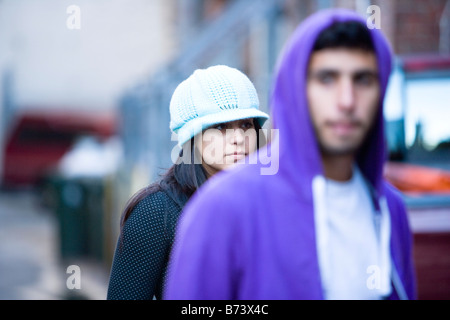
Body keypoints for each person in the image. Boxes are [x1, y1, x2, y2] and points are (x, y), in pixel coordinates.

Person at [164, 9, 417, 300]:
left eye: (363, 80)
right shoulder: (223, 207)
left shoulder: (391, 209)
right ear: (297, 90)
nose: (347, 100)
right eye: (327, 79)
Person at [106, 65, 269, 300]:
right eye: (220, 126)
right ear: (192, 135)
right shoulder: (157, 212)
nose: (238, 139)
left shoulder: (269, 203)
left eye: (246, 125)